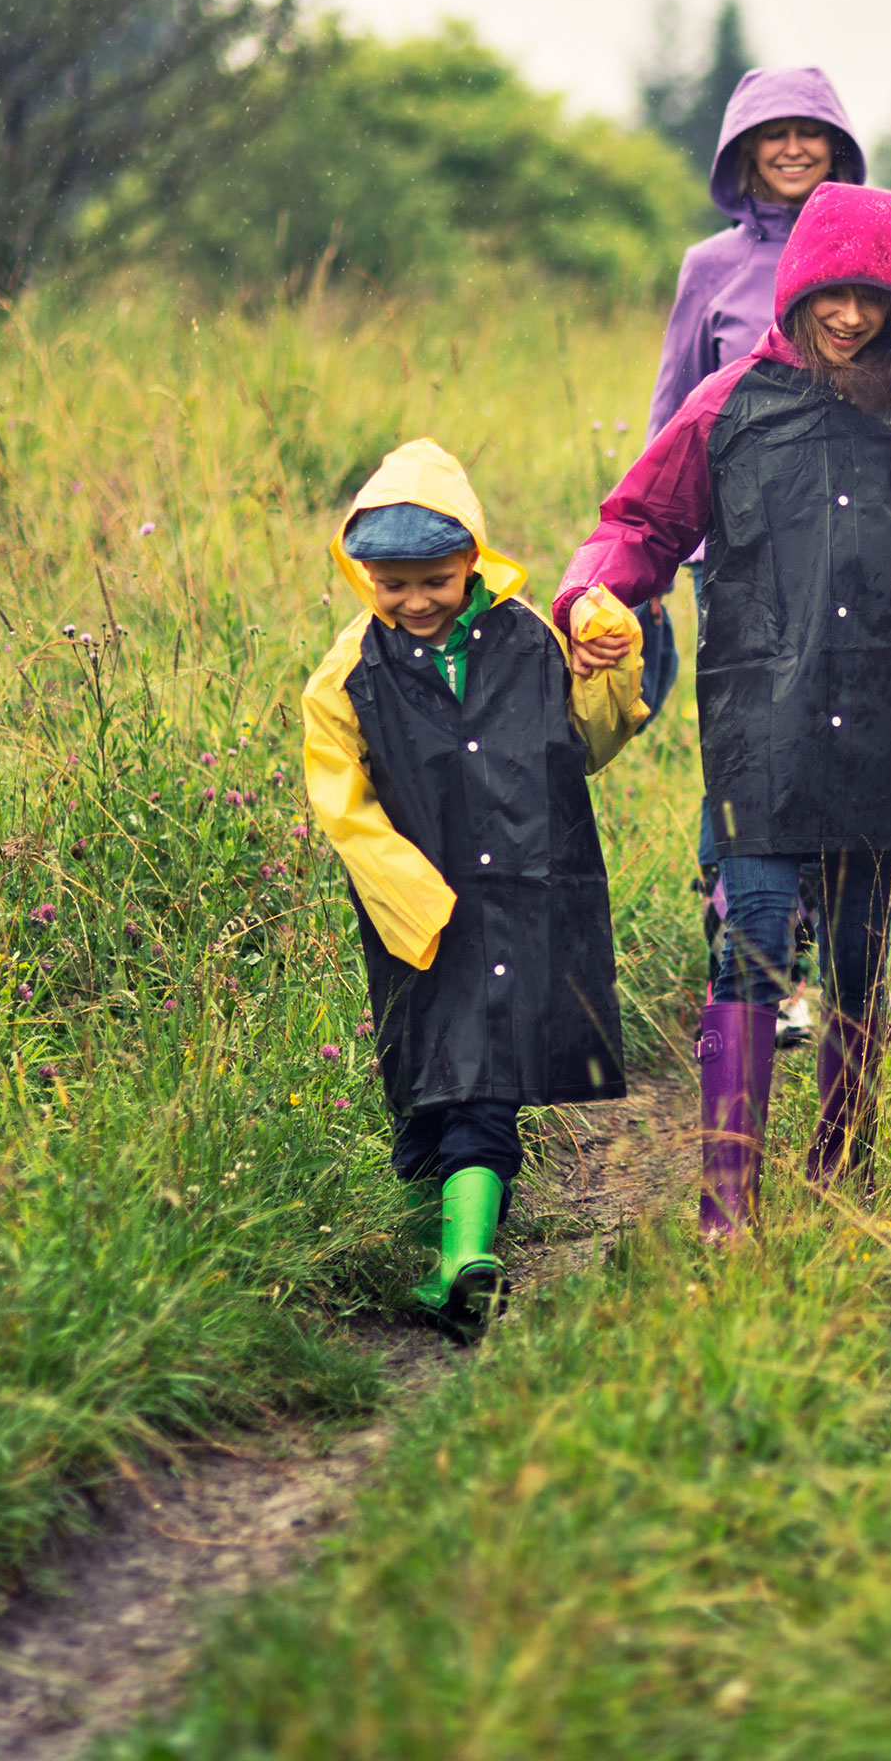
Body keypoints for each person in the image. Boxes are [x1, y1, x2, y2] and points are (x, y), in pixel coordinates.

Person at [559, 184, 891, 1238]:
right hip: (758, 721)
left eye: (875, 300)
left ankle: (840, 1170)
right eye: (832, 294)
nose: (850, 317)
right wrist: (595, 596)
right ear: (797, 289)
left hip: (879, 719)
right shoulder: (726, 405)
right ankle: (726, 1205)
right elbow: (638, 525)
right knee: (747, 941)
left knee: (856, 957)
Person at [303, 439, 648, 1336]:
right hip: (423, 912)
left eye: (436, 581)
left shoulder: (534, 639)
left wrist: (609, 664)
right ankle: (437, 1243)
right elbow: (342, 801)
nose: (414, 602)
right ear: (361, 574)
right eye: (391, 584)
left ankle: (466, 1262)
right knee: (427, 1083)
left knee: (484, 1081)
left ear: (472, 563)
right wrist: (407, 891)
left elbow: (586, 744)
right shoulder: (349, 675)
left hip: (529, 893)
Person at [642, 67, 891, 1047]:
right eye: (767, 135)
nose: (787, 150)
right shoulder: (707, 267)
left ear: (836, 144)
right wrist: (668, 550)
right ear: (738, 150)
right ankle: (747, 933)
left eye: (805, 134)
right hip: (739, 546)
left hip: (854, 552)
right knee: (751, 733)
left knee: (847, 737)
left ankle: (811, 931)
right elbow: (676, 408)